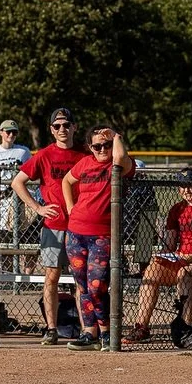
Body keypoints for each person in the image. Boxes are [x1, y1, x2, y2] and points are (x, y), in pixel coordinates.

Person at [11, 107, 87, 345]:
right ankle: (51, 328)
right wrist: (38, 207)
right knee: (51, 277)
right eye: (57, 126)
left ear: (75, 127)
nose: (62, 130)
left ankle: (87, 330)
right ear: (51, 130)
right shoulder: (44, 155)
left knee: (81, 279)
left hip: (80, 225)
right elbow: (18, 182)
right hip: (53, 224)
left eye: (66, 125)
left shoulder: (86, 154)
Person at [122, 167, 192, 344]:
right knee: (152, 270)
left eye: (191, 185)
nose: (187, 190)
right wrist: (163, 256)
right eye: (182, 186)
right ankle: (141, 327)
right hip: (182, 258)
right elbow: (169, 243)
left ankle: (184, 329)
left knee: (186, 274)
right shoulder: (177, 209)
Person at [61, 125, 135, 351]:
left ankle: (106, 332)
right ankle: (89, 332)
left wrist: (117, 136)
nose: (102, 149)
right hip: (76, 232)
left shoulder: (118, 165)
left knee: (97, 285)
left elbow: (121, 156)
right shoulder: (85, 163)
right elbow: (66, 181)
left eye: (107, 145)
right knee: (82, 286)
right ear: (90, 147)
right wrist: (71, 207)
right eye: (97, 146)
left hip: (102, 234)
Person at [123, 158, 159, 276]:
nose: (136, 176)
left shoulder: (146, 187)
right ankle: (122, 268)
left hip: (140, 222)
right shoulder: (122, 185)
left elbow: (151, 208)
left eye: (139, 173)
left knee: (146, 230)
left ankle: (143, 270)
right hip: (124, 223)